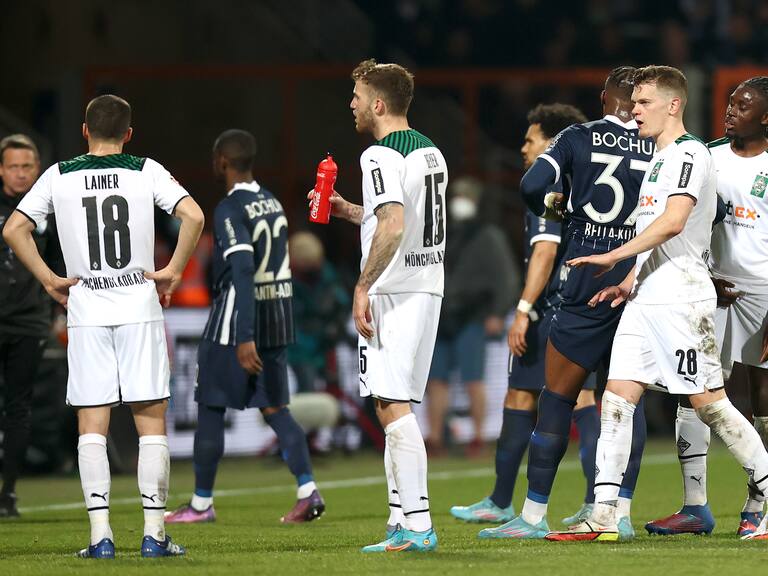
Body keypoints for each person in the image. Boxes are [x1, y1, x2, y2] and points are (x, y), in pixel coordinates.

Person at [547, 65, 768, 542]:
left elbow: (673, 222)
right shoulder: (657, 158)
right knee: (616, 400)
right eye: (632, 102)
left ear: (672, 105)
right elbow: (656, 236)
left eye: (643, 102)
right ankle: (604, 515)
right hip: (647, 294)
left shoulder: (689, 154)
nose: (633, 110)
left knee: (710, 405)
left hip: (682, 298)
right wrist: (629, 279)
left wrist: (613, 255)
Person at [2, 94, 204, 558]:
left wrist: (50, 279)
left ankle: (100, 538)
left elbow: (15, 228)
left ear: (84, 130)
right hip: (138, 305)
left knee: (91, 423)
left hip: (87, 310)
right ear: (129, 133)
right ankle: (154, 535)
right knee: (150, 420)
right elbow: (192, 214)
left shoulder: (59, 175)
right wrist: (172, 269)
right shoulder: (145, 168)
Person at [480, 67, 654, 540]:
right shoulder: (664, 146)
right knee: (625, 405)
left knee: (556, 401)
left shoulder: (579, 137)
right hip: (638, 289)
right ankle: (618, 511)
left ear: (603, 98)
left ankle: (533, 517)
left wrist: (568, 211)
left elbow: (532, 187)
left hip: (581, 289)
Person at [451, 103, 609, 526]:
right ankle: (587, 501)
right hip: (580, 306)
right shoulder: (584, 181)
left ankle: (511, 501)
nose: (523, 147)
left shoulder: (547, 186)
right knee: (576, 400)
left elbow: (545, 249)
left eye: (530, 139)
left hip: (550, 312)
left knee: (555, 400)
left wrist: (522, 309)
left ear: (552, 142)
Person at [314, 58, 446, 552]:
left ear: (378, 103)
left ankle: (418, 525)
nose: (350, 103)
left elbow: (392, 224)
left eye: (356, 95)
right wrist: (351, 210)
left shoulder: (379, 155)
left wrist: (363, 285)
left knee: (391, 406)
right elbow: (398, 219)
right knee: (396, 402)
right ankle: (398, 518)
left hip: (393, 291)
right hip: (427, 287)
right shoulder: (431, 151)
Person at [165, 130, 325, 525]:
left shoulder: (228, 208)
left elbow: (241, 271)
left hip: (237, 325)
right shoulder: (271, 201)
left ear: (221, 160)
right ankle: (308, 490)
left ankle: (201, 504)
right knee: (276, 408)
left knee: (211, 407)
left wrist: (244, 335)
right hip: (278, 318)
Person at [645, 76, 768, 537]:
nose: (731, 110)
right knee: (693, 388)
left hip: (763, 292)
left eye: (743, 105)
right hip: (712, 287)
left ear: (766, 118)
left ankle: (759, 502)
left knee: (762, 400)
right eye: (730, 103)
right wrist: (708, 274)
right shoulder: (706, 155)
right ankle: (694, 505)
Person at [425, 175, 517, 458]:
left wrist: (498, 312)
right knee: (435, 381)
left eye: (465, 197)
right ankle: (435, 438)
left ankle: (478, 436)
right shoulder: (441, 231)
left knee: (473, 379)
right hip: (440, 314)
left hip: (472, 315)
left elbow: (507, 279)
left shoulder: (488, 236)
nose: (459, 203)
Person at [0, 134, 59, 517]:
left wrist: (53, 315)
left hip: (28, 323)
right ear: (1, 170)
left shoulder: (51, 211)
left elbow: (61, 265)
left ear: (36, 169)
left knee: (18, 407)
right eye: (14, 167)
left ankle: (8, 494)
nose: (21, 174)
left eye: (27, 167)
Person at [287, 230, 350, 394]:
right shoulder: (286, 282)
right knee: (307, 390)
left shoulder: (326, 274)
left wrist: (336, 324)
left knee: (335, 391)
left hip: (327, 345)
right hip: (299, 349)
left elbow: (342, 303)